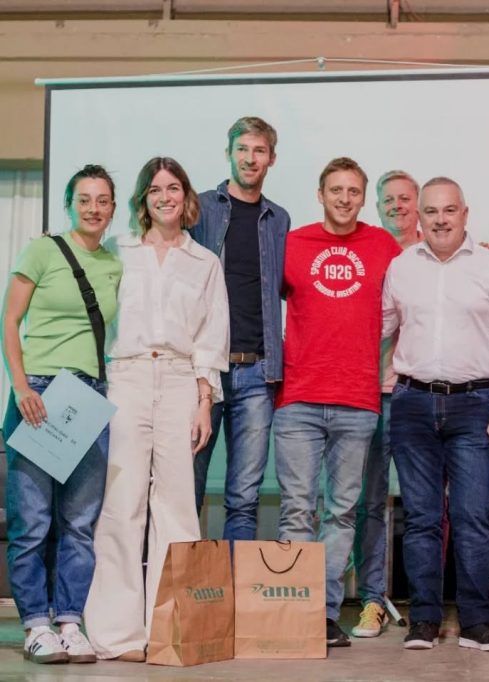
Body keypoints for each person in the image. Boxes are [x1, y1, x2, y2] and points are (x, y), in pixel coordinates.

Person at [84, 157, 229, 661]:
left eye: (173, 188)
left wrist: (204, 402)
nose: (165, 197)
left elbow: (212, 338)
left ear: (186, 196)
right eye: (155, 189)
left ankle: (171, 631)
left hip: (180, 380)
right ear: (143, 199)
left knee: (177, 507)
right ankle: (116, 635)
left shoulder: (204, 262)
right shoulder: (117, 252)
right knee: (120, 505)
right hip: (124, 377)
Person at [383, 177, 489, 652]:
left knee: (472, 517)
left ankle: (475, 622)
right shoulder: (401, 267)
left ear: (465, 214)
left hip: (475, 405)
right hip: (412, 403)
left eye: (449, 210)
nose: (440, 220)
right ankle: (423, 619)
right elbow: (378, 326)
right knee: (421, 518)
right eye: (431, 211)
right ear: (418, 218)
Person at [274, 157, 401, 648]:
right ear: (320, 194)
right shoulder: (293, 244)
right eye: (336, 190)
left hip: (358, 400)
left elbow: (421, 285)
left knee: (342, 513)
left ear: (363, 198)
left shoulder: (383, 245)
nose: (344, 199)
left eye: (353, 191)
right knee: (296, 511)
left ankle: (324, 615)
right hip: (299, 399)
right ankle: (294, 614)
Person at [0, 164, 122, 665]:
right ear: (69, 204)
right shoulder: (42, 251)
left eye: (103, 200)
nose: (94, 208)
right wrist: (21, 385)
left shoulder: (113, 264)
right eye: (84, 199)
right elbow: (10, 320)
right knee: (32, 521)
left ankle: (70, 622)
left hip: (88, 395)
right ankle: (35, 624)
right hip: (40, 393)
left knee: (79, 523)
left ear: (113, 208)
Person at [192, 116, 291, 540]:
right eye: (243, 149)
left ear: (272, 158)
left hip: (256, 373)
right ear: (228, 154)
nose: (250, 159)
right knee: (188, 487)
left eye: (259, 151)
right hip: (203, 372)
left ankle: (236, 582)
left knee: (244, 498)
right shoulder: (199, 208)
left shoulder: (279, 219)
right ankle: (182, 580)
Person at [351, 169, 422, 638]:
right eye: (388, 200)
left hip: (418, 394)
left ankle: (428, 603)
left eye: (404, 198)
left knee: (424, 505)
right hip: (369, 394)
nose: (396, 206)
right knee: (369, 503)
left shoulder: (437, 253)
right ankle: (372, 601)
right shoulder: (368, 254)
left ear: (417, 204)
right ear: (377, 208)